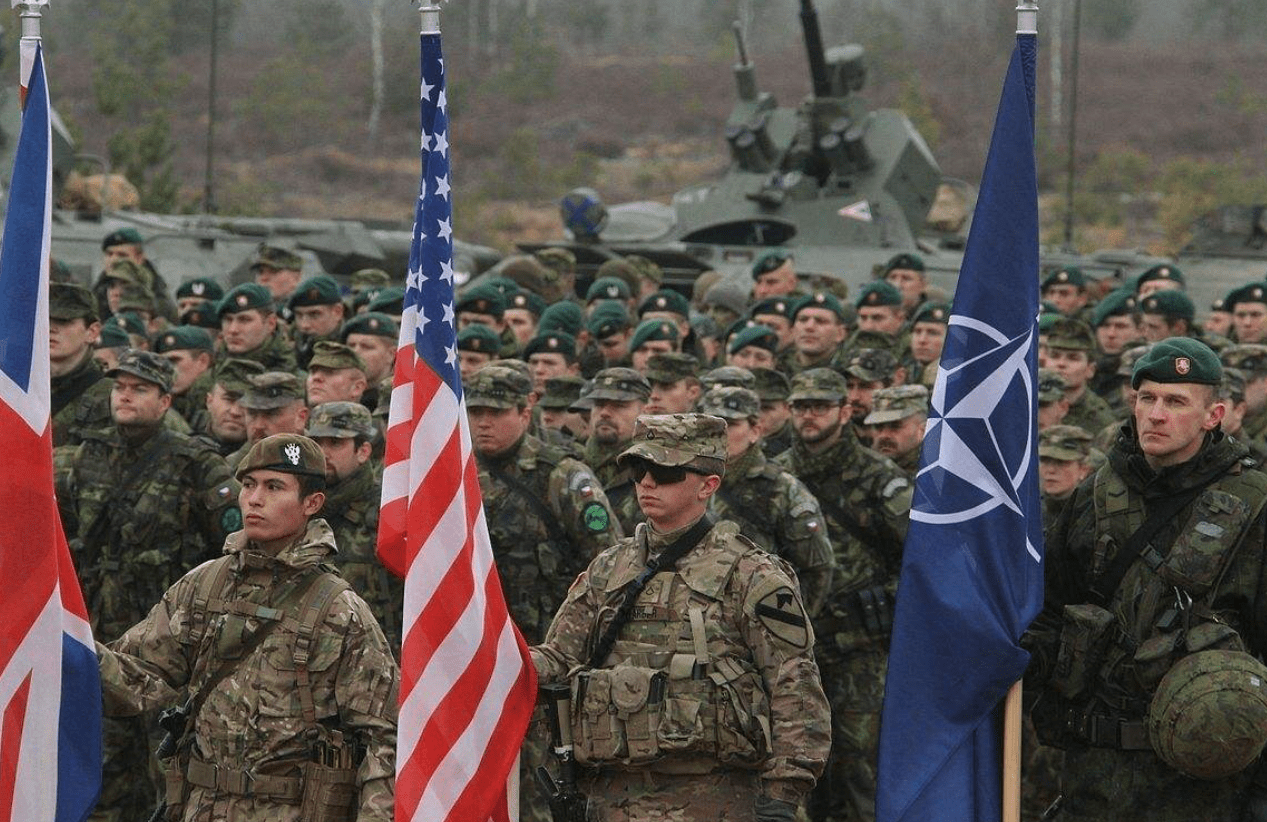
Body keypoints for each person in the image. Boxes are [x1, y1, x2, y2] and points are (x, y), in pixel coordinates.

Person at [529, 413, 831, 822]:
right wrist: (496, 658)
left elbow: (795, 687)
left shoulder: (751, 575)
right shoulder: (610, 568)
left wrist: (782, 794)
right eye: (639, 470)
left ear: (708, 485)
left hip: (717, 799)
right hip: (609, 798)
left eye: (665, 472)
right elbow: (560, 659)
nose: (647, 483)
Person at [96, 434, 399, 822]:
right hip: (199, 806)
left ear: (312, 503)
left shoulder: (337, 609)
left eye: (274, 487)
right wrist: (61, 644)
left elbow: (382, 736)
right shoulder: (204, 585)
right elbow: (137, 674)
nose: (254, 499)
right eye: (248, 485)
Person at [1028, 337, 1267, 822]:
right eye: (1147, 398)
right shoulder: (1095, 493)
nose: (1156, 414)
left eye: (1176, 402)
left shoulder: (1253, 504)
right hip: (1093, 771)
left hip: (1204, 779)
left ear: (1214, 415)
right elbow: (1049, 608)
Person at [55, 349, 241, 822]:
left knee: (168, 764)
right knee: (104, 764)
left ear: (164, 401)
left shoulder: (195, 462)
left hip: (169, 639)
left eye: (139, 389)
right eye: (119, 387)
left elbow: (234, 540)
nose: (125, 396)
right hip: (101, 634)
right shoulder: (87, 455)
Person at [772, 368, 912, 822]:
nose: (809, 416)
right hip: (793, 644)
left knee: (858, 766)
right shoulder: (777, 478)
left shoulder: (877, 477)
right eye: (800, 407)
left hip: (860, 647)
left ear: (845, 411)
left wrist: (882, 602)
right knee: (793, 765)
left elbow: (919, 557)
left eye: (819, 407)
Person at [698, 386, 836, 618]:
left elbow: (818, 570)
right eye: (710, 425)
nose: (718, 434)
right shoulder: (686, 480)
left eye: (730, 425)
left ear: (755, 430)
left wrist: (788, 628)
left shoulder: (782, 489)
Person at [305, 401, 402, 649]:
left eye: (336, 443)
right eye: (317, 442)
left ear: (363, 451)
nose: (323, 453)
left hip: (376, 657)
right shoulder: (298, 508)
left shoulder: (391, 511)